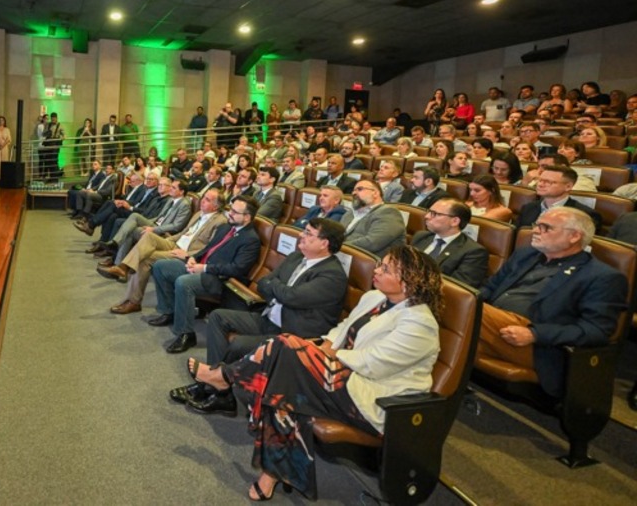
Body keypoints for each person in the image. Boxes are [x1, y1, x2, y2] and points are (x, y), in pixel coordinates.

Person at [181, 245, 443, 500]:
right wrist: (326, 345)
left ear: (409, 282)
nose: (377, 270)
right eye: (380, 264)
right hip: (338, 375)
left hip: (371, 396)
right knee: (284, 382)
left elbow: (374, 364)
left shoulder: (420, 323)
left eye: (385, 268)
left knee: (284, 346)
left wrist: (326, 354)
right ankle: (272, 474)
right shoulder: (374, 298)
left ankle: (224, 377)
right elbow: (342, 328)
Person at [172, 218, 349, 410]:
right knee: (218, 316)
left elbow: (291, 297)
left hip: (291, 333)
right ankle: (217, 388)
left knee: (239, 344)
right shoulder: (296, 257)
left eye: (308, 233)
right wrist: (277, 289)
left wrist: (277, 288)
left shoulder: (332, 275)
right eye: (303, 231)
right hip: (269, 317)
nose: (301, 235)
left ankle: (212, 386)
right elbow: (264, 283)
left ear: (325, 243)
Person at [477, 207, 627, 397]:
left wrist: (535, 334)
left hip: (536, 344)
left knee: (461, 309)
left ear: (574, 236)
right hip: (492, 324)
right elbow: (491, 287)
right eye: (536, 225)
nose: (535, 231)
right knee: (452, 327)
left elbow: (596, 330)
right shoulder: (525, 255)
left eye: (545, 227)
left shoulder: (602, 277)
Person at [149, 196, 262, 354]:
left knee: (184, 282)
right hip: (201, 268)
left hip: (220, 281)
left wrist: (205, 268)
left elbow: (236, 269)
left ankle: (186, 333)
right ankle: (169, 311)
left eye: (235, 212)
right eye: (231, 209)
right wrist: (192, 258)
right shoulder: (225, 227)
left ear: (247, 217)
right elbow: (208, 249)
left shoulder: (251, 239)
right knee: (161, 266)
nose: (229, 213)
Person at [106, 188, 229, 313]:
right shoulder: (198, 214)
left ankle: (132, 300)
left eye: (207, 200)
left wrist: (187, 254)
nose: (202, 201)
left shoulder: (220, 222)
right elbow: (183, 233)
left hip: (185, 253)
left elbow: (210, 248)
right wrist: (169, 240)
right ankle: (123, 268)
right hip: (175, 244)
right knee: (148, 236)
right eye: (203, 197)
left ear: (215, 206)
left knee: (145, 258)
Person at [411, 198, 489, 288]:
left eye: (435, 214)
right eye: (429, 211)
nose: (427, 216)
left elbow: (457, 289)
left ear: (454, 221)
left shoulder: (473, 252)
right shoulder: (421, 236)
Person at [516, 165, 601, 229]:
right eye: (540, 180)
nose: (540, 184)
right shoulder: (528, 208)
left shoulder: (585, 215)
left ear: (568, 186)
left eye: (548, 182)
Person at [340, 180, 406, 256]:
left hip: (373, 263)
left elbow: (372, 242)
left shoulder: (388, 212)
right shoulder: (350, 213)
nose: (354, 193)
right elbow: (337, 235)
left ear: (375, 193)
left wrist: (337, 246)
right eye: (354, 190)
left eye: (360, 189)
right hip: (343, 256)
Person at [40, 111, 65, 178]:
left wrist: (61, 137)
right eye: (52, 118)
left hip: (55, 145)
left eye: (54, 118)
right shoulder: (48, 125)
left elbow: (64, 135)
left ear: (57, 118)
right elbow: (43, 134)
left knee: (54, 160)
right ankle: (51, 175)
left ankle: (55, 176)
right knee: (48, 161)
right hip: (48, 145)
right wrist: (47, 133)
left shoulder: (60, 125)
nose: (53, 119)